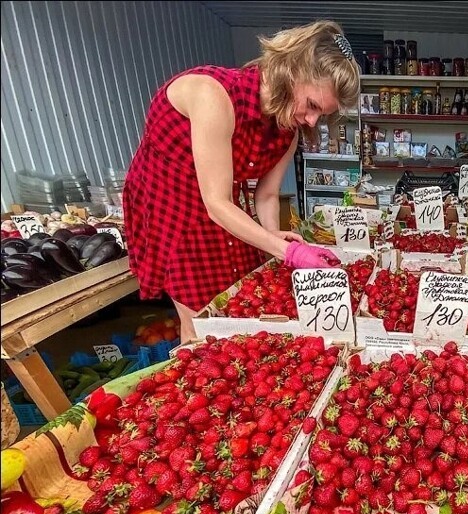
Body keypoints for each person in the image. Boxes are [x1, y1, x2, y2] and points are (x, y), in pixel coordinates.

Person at [123, 21, 359, 341]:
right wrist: (286, 253)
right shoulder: (213, 96)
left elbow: (267, 194)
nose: (313, 120)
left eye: (322, 114)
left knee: (240, 309)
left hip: (226, 211)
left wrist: (276, 238)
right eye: (313, 105)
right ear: (292, 71)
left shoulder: (287, 124)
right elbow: (216, 202)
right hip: (175, 211)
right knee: (201, 327)